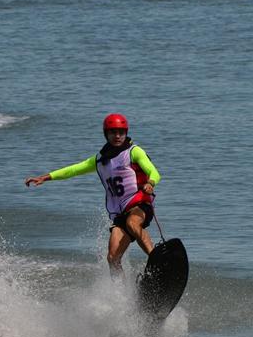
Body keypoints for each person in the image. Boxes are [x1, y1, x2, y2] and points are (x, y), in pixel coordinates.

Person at [25, 113, 161, 276]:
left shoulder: (134, 152)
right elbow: (74, 169)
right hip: (120, 213)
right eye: (113, 132)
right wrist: (46, 177)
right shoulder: (99, 160)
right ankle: (125, 294)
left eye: (121, 132)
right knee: (112, 258)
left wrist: (150, 183)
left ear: (126, 132)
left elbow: (154, 171)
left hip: (139, 204)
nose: (117, 136)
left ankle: (157, 260)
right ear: (106, 134)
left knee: (133, 223)